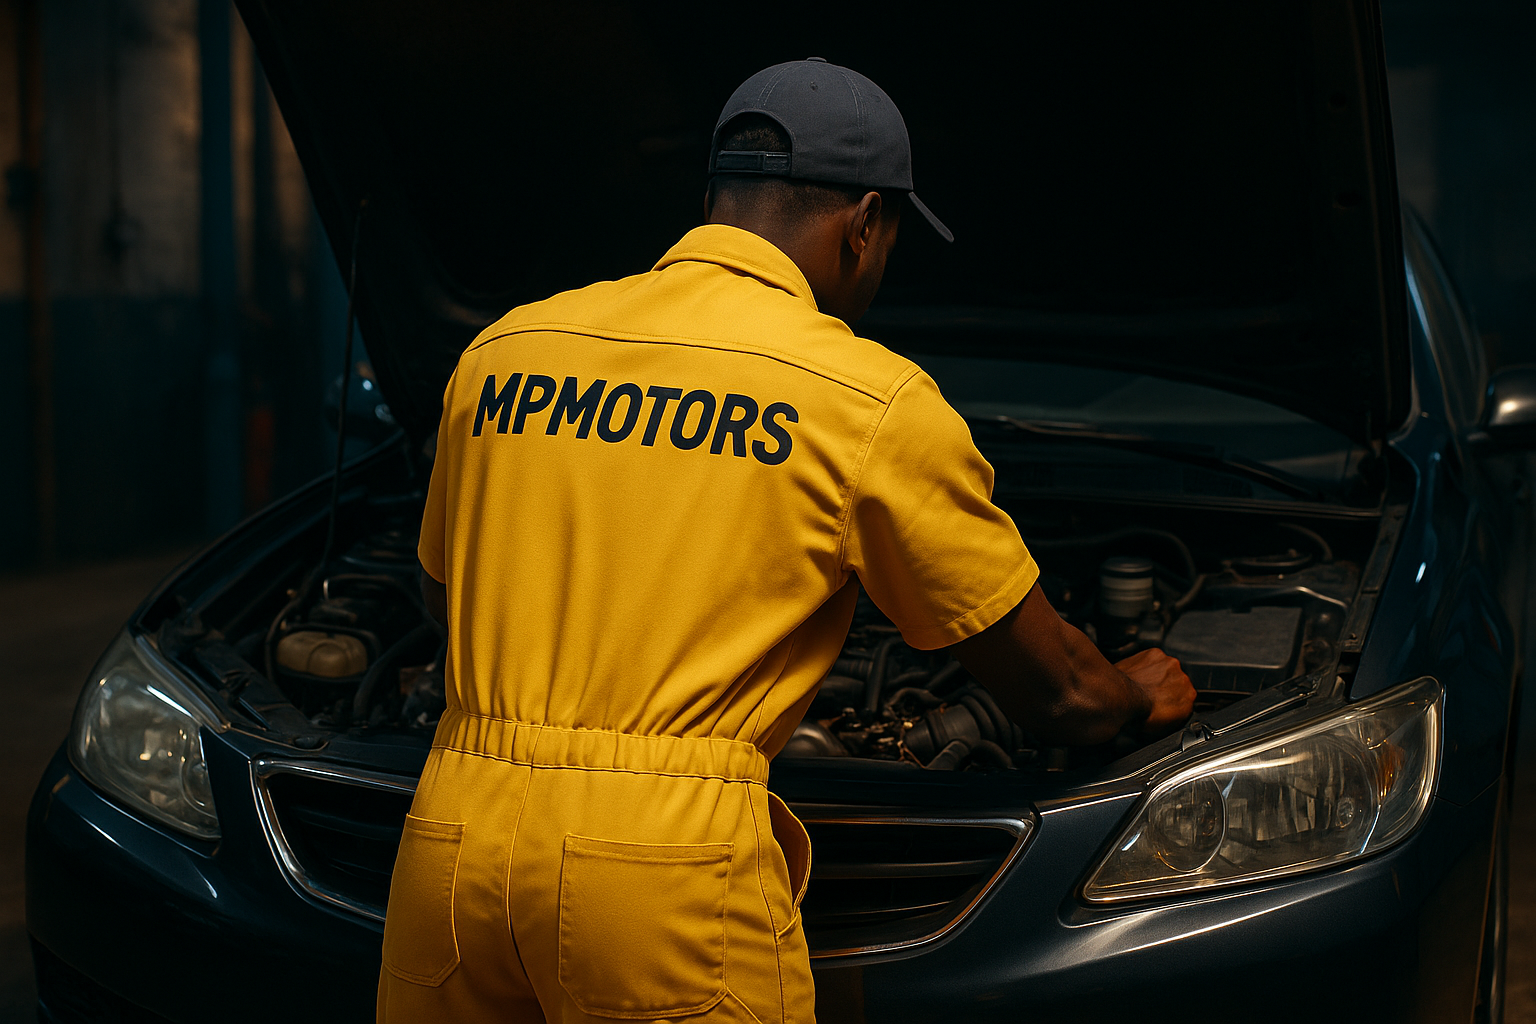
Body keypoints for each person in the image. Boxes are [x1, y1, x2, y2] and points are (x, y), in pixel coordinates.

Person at [378, 58, 1194, 1024]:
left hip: (448, 839)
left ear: (718, 200)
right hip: (659, 868)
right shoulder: (867, 402)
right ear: (863, 225)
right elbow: (1054, 691)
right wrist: (1130, 697)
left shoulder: (504, 354)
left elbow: (448, 600)